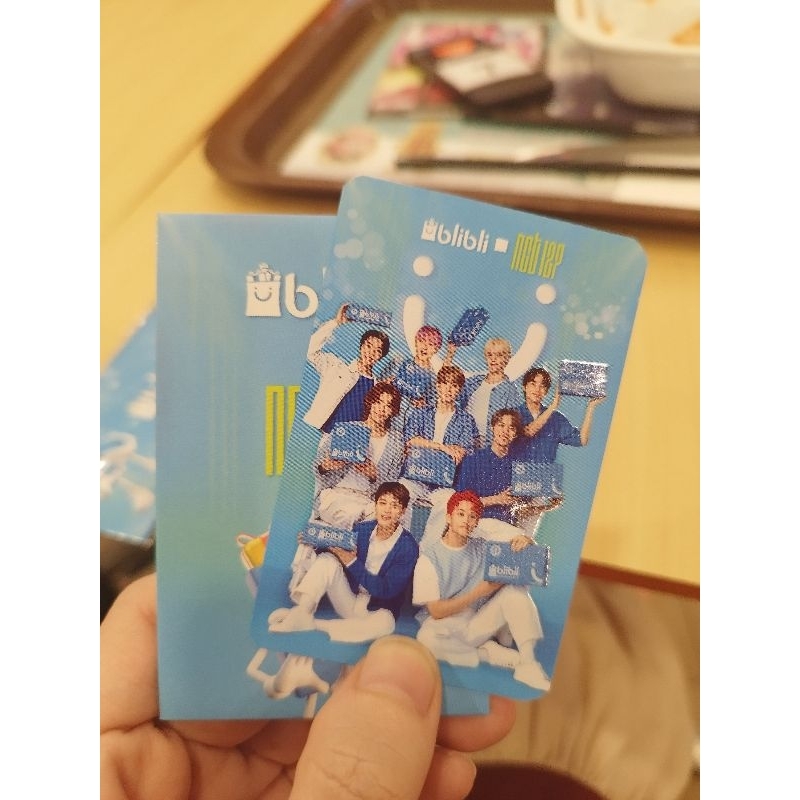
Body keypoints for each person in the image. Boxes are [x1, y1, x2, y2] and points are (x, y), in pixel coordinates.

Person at [100, 573, 516, 800]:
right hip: (351, 630)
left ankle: (307, 632)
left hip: (376, 623)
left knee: (382, 623)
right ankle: (304, 627)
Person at [412, 490, 551, 690]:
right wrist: (479, 592)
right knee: (425, 640)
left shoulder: (484, 547)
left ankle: (528, 665)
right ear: (448, 517)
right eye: (461, 514)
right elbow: (436, 611)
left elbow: (526, 558)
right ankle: (487, 654)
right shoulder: (429, 559)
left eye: (472, 516)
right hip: (443, 627)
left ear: (477, 522)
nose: (466, 521)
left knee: (515, 592)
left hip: (477, 623)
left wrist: (527, 542)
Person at [269, 482, 419, 643]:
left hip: (378, 610)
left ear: (403, 511)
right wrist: (313, 540)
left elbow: (386, 590)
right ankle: (302, 612)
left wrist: (352, 562)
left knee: (384, 626)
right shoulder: (363, 529)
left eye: (394, 506)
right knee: (327, 560)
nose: (387, 510)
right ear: (375, 505)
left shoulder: (408, 547)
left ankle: (311, 624)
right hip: (350, 600)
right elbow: (339, 548)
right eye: (382, 503)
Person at [313, 382, 405, 530]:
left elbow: (391, 483)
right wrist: (326, 466)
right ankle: (343, 538)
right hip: (337, 494)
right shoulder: (348, 429)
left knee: (388, 520)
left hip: (367, 500)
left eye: (388, 406)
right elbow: (317, 466)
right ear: (370, 402)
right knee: (350, 516)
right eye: (378, 402)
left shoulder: (396, 443)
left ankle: (343, 538)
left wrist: (374, 476)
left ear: (393, 411)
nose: (381, 409)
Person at [400, 364, 479, 515]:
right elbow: (410, 440)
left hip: (444, 483)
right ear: (437, 386)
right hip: (416, 477)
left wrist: (424, 445)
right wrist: (443, 448)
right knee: (401, 492)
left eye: (454, 385)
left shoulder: (465, 420)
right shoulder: (421, 412)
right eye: (444, 383)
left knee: (449, 503)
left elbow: (464, 451)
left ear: (459, 390)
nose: (448, 389)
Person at [302, 303, 391, 432]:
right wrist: (335, 323)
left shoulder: (376, 386)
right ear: (361, 346)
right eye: (368, 346)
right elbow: (310, 350)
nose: (371, 353)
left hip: (355, 437)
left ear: (381, 356)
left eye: (377, 351)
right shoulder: (336, 367)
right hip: (326, 432)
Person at [511, 366, 603, 463]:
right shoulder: (512, 414)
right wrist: (554, 405)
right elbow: (528, 432)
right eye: (533, 384)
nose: (537, 389)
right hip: (519, 471)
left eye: (542, 386)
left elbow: (582, 440)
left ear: (546, 391)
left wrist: (591, 407)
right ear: (524, 387)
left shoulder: (556, 418)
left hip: (547, 472)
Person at [445, 338, 523, 447]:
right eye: (490, 355)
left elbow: (513, 426)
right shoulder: (473, 382)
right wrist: (450, 354)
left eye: (499, 355)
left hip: (489, 446)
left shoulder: (511, 390)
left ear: (507, 358)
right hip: (463, 442)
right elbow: (446, 388)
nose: (493, 359)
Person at [378, 324, 444, 421]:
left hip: (405, 423)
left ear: (436, 349)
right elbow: (376, 386)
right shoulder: (398, 362)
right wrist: (384, 384)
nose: (425, 347)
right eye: (421, 341)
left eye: (430, 344)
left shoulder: (433, 380)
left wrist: (424, 404)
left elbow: (432, 407)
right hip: (381, 416)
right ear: (416, 342)